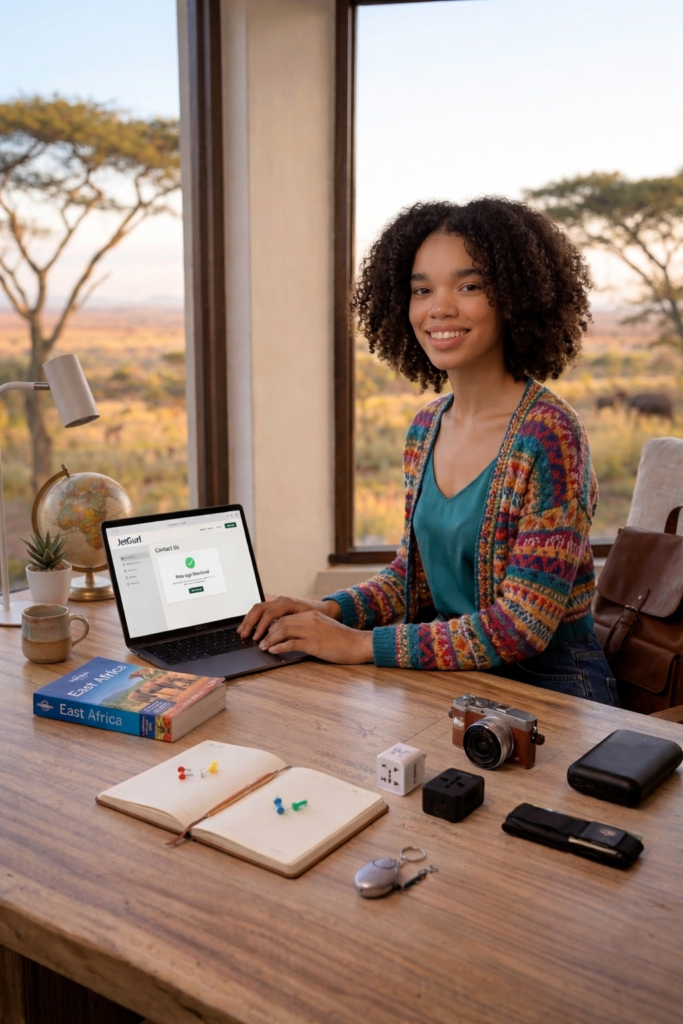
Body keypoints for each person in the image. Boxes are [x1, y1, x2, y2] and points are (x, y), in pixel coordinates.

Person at [239, 197, 618, 705]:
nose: (439, 307)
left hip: (550, 689)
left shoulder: (549, 434)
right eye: (422, 290)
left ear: (514, 296)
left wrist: (359, 645)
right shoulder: (426, 427)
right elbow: (410, 575)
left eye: (469, 286)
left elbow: (521, 626)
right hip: (449, 676)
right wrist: (328, 611)